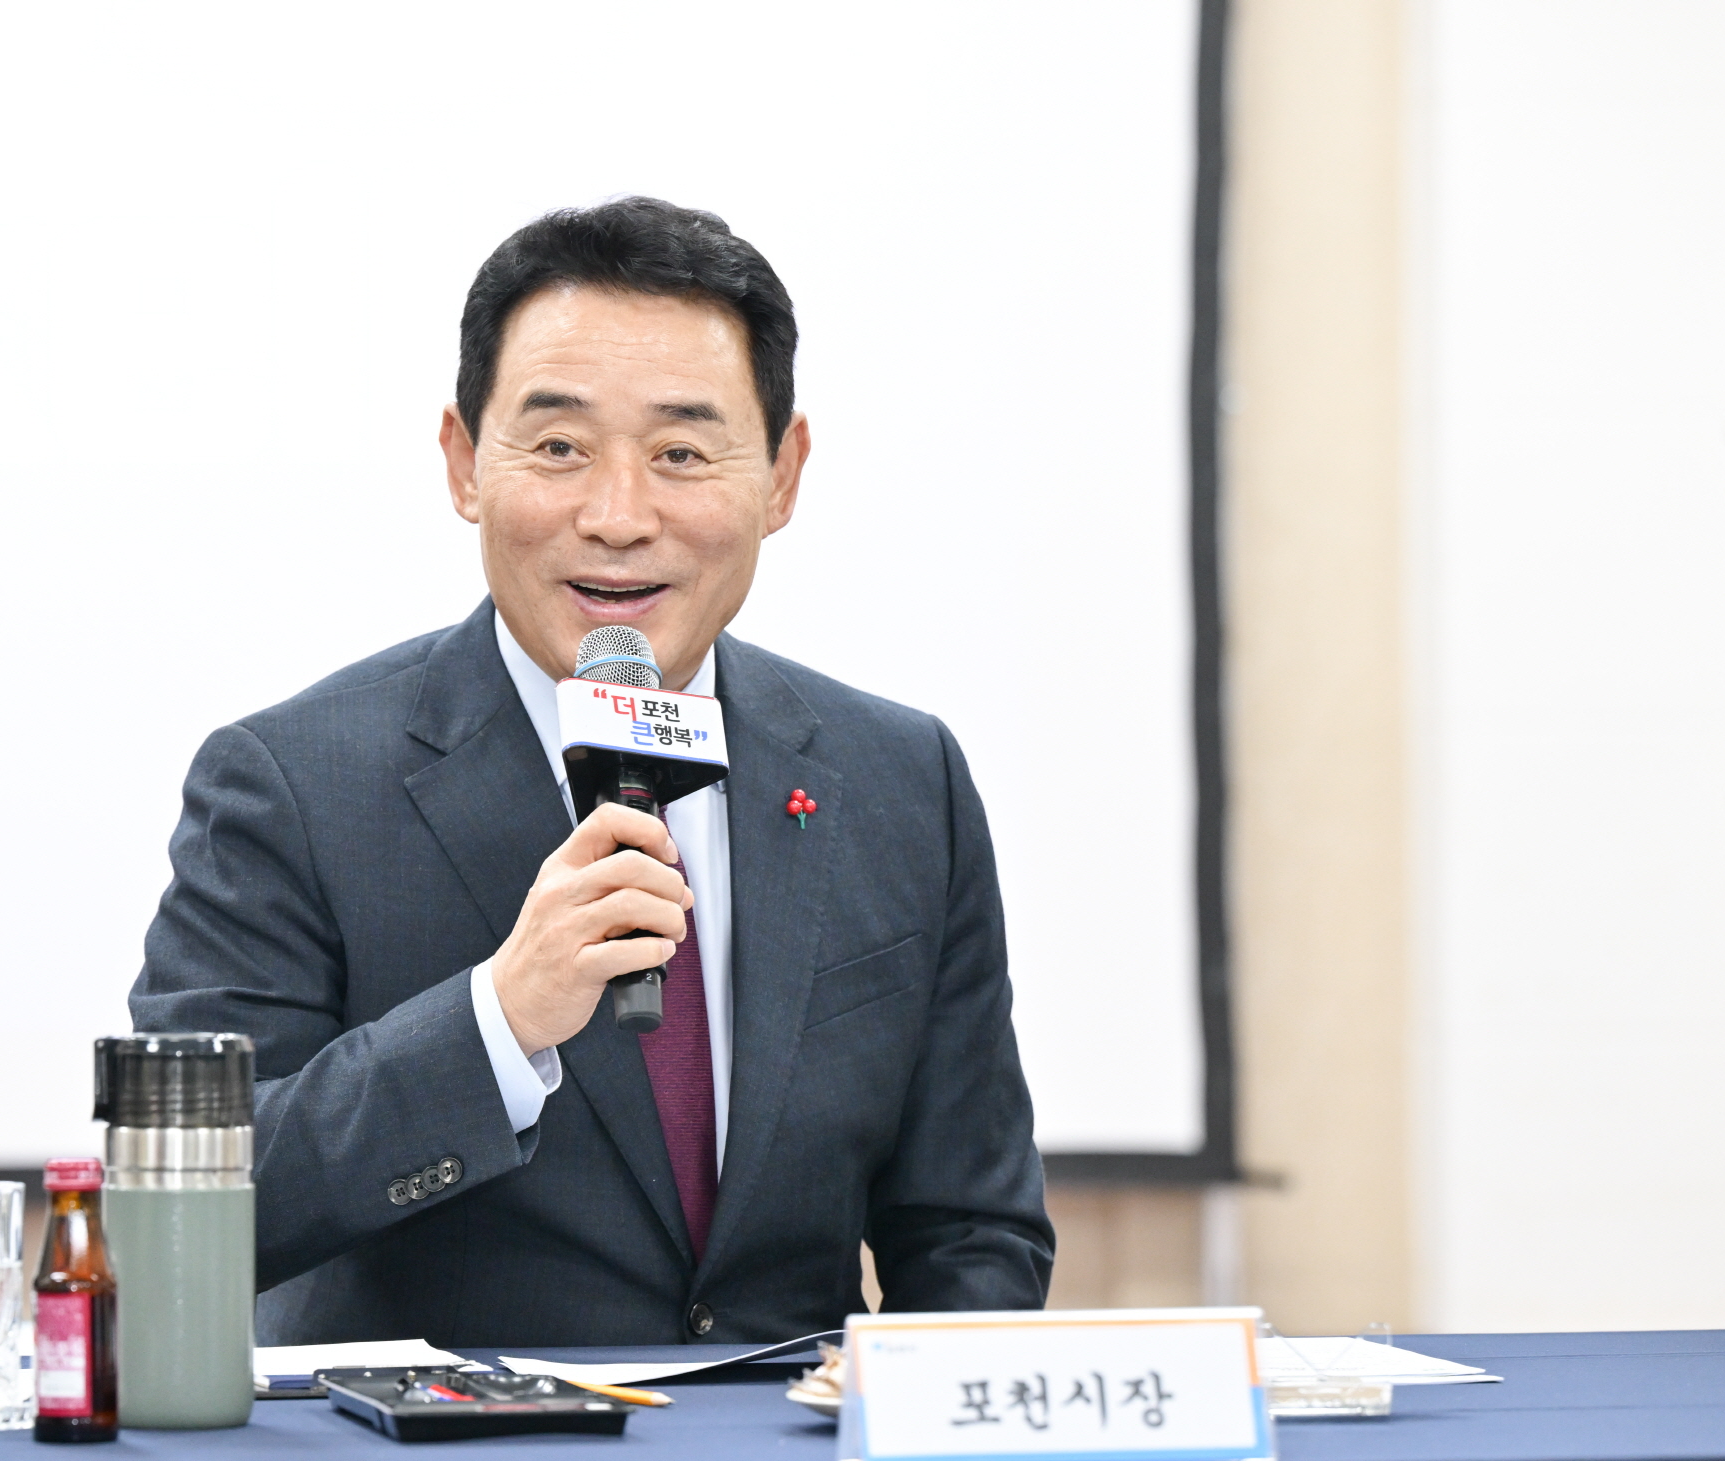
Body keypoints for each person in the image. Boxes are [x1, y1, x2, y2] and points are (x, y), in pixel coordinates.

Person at [132, 197, 1053, 1347]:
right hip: (452, 1451)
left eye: (681, 453)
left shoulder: (901, 780)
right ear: (465, 463)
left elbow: (971, 1231)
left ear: (782, 475)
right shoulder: (292, 783)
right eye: (560, 447)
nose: (618, 517)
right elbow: (173, 1215)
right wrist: (498, 1022)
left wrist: (926, 1431)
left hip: (790, 1450)